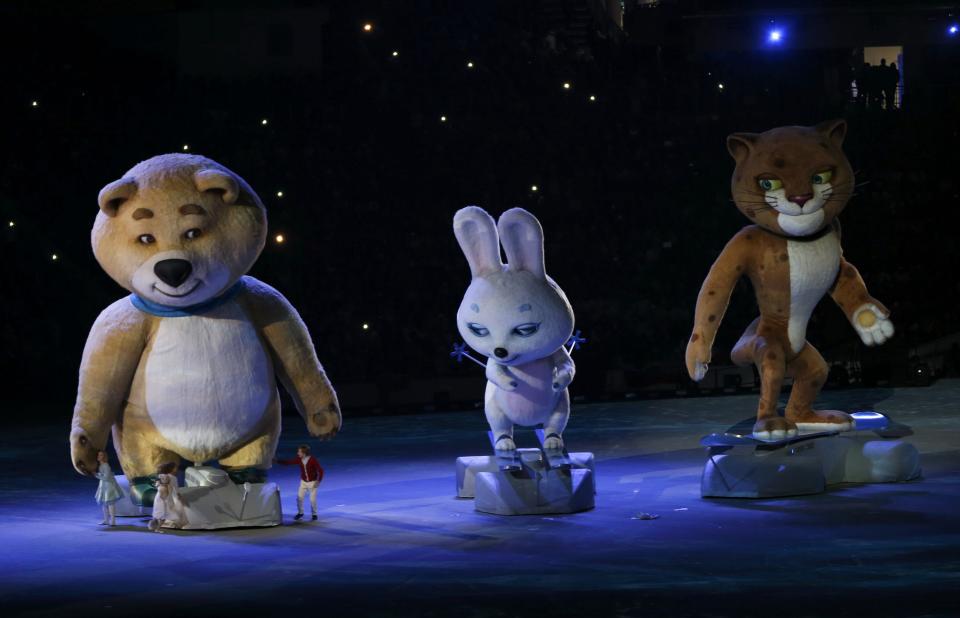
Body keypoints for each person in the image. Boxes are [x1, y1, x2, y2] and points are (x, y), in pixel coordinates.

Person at [275, 444, 324, 521]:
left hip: (312, 482)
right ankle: (300, 512)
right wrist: (277, 461)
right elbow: (289, 462)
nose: (298, 453)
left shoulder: (312, 460)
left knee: (312, 499)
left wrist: (318, 480)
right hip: (303, 482)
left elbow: (321, 470)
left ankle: (314, 514)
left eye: (299, 452)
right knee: (299, 498)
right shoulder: (299, 459)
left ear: (304, 453)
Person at [149, 461, 186, 532]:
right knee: (163, 514)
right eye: (175, 468)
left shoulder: (161, 476)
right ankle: (157, 527)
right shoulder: (172, 478)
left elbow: (157, 485)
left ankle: (157, 527)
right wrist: (180, 497)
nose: (176, 469)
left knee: (163, 514)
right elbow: (176, 490)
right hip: (164, 498)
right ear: (171, 469)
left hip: (162, 497)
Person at [93, 450, 123, 526]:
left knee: (110, 503)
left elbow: (106, 477)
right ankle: (106, 520)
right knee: (104, 504)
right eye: (98, 455)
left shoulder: (106, 465)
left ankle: (113, 520)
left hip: (108, 486)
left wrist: (96, 475)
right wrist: (98, 474)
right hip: (104, 485)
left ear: (104, 457)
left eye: (101, 455)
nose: (99, 457)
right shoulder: (101, 465)